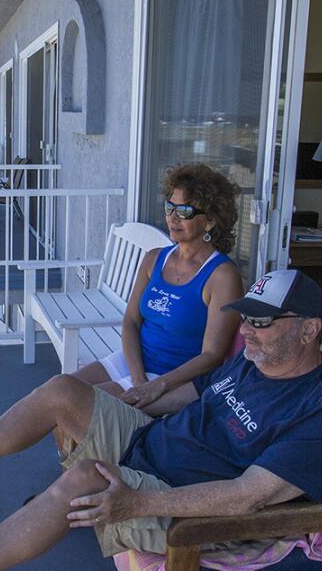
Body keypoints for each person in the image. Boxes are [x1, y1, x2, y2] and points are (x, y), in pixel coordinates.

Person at [0, 270, 322, 571]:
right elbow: (199, 394)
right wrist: (145, 395)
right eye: (245, 318)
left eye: (261, 321)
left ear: (308, 328)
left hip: (179, 503)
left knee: (86, 480)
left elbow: (248, 497)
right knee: (64, 390)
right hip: (151, 442)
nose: (246, 332)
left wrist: (137, 503)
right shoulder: (254, 361)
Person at [72, 164, 243, 413]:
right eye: (169, 207)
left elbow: (212, 355)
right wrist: (137, 378)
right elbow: (131, 320)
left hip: (172, 377)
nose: (172, 217)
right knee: (59, 388)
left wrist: (156, 385)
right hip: (134, 364)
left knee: (75, 406)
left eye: (184, 211)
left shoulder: (222, 276)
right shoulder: (154, 259)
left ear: (210, 221)